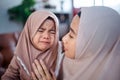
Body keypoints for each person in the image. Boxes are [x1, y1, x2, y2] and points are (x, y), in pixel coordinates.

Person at [58, 6, 120, 80]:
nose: (64, 38)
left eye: (71, 36)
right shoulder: (66, 60)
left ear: (94, 43)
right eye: (69, 31)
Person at [1, 10, 59, 80]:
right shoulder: (20, 55)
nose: (46, 36)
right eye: (40, 30)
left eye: (52, 32)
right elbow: (9, 76)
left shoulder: (62, 53)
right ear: (30, 31)